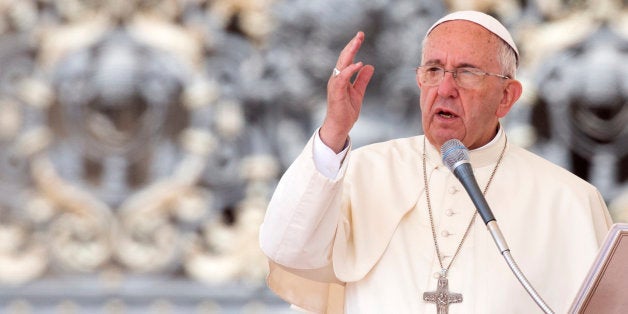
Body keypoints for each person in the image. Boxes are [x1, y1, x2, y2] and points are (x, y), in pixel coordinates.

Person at [258, 10, 612, 313]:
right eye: (433, 70)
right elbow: (286, 249)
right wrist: (333, 131)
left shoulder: (570, 201)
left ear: (507, 96)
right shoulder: (362, 171)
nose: (445, 89)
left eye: (467, 72)